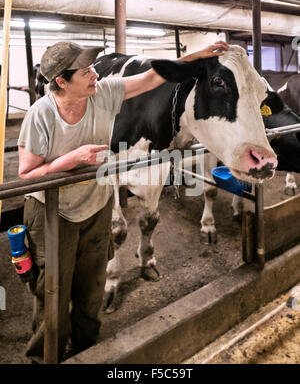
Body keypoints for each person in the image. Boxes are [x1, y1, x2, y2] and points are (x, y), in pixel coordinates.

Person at [18, 40, 229, 363]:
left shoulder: (102, 93)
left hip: (96, 204)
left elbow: (152, 77)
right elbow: (27, 174)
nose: (95, 74)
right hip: (53, 211)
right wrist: (72, 158)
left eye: (93, 68)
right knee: (52, 294)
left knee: (91, 290)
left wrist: (198, 55)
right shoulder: (40, 114)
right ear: (61, 81)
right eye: (86, 71)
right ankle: (43, 359)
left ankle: (88, 352)